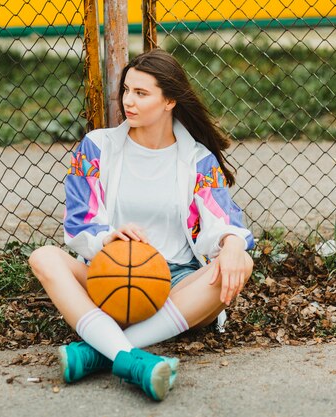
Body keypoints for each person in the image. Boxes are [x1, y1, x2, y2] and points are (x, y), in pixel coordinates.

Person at [28, 48, 254, 401]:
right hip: (110, 275)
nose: (127, 102)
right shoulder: (97, 148)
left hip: (177, 285)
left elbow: (222, 221)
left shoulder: (196, 160)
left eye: (141, 93)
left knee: (235, 265)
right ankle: (131, 359)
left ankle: (103, 351)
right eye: (126, 91)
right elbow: (78, 222)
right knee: (44, 257)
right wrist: (107, 239)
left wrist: (235, 245)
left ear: (169, 102)